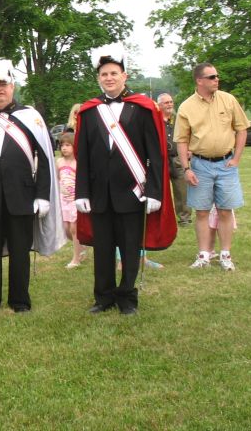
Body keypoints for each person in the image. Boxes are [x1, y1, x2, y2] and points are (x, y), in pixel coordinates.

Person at [74, 46, 176, 315]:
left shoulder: (143, 109)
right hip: (99, 193)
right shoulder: (89, 111)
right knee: (103, 250)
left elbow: (156, 154)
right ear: (98, 78)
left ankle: (128, 298)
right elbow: (81, 156)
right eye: (104, 74)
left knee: (131, 249)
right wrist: (81, 192)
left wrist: (154, 191)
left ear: (124, 76)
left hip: (133, 192)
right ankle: (103, 297)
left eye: (114, 73)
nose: (109, 78)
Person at [0, 58, 63, 313]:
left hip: (22, 198)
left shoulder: (30, 117)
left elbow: (46, 158)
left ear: (13, 86)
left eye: (4, 84)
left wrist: (42, 195)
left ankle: (20, 301)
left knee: (20, 253)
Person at [174, 62, 249, 272]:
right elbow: (181, 140)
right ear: (199, 81)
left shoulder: (228, 99)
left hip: (226, 164)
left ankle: (225, 255)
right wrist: (187, 169)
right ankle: (204, 255)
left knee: (226, 211)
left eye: (217, 76)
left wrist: (237, 158)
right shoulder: (186, 107)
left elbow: (242, 129)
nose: (217, 79)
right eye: (212, 77)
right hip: (199, 165)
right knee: (201, 212)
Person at [157, 93, 192, 225]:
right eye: (166, 103)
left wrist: (190, 149)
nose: (170, 105)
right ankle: (162, 220)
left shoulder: (179, 119)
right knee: (161, 192)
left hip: (178, 159)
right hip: (161, 160)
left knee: (182, 191)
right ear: (159, 105)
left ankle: (185, 218)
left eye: (171, 102)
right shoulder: (154, 120)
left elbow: (189, 134)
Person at [57, 132, 83, 268]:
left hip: (74, 200)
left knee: (74, 228)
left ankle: (76, 259)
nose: (64, 148)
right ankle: (82, 247)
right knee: (66, 228)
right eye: (62, 145)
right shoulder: (59, 162)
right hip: (63, 199)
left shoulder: (77, 163)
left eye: (68, 145)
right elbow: (57, 179)